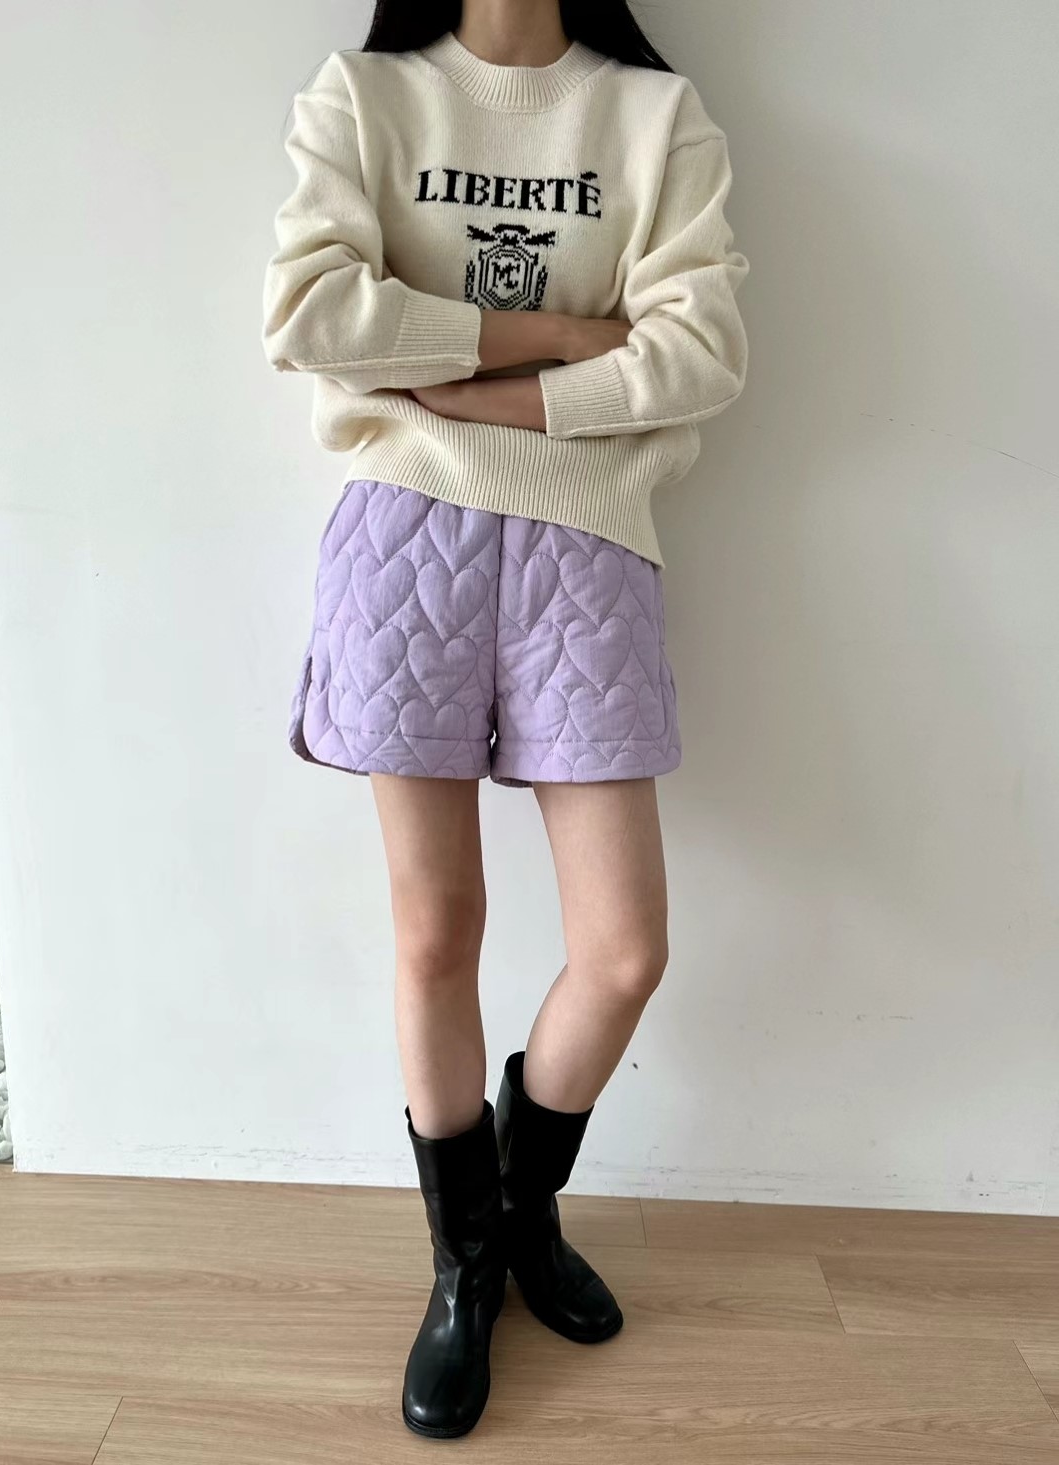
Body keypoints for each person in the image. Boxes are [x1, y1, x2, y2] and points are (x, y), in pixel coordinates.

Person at [262, 0, 748, 1439]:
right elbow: (309, 315)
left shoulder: (654, 117)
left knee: (625, 947)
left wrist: (464, 387)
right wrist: (558, 337)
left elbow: (702, 350)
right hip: (404, 532)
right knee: (436, 930)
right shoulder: (364, 97)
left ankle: (522, 1209)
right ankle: (464, 1265)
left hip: (588, 549)